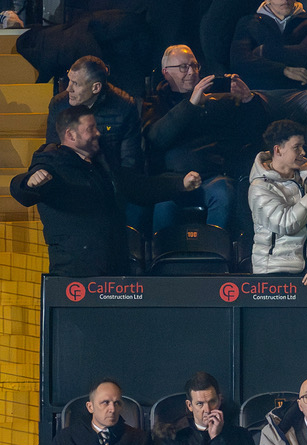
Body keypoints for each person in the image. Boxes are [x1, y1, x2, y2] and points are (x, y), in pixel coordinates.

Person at [11, 107, 200, 276]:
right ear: (71, 134)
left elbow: (137, 187)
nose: (98, 133)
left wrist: (179, 184)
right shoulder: (51, 163)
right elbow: (21, 191)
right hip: (75, 274)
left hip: (114, 269)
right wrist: (28, 182)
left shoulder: (103, 165)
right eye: (90, 129)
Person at [142, 44, 266, 231]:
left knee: (223, 193)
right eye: (184, 67)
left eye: (194, 66)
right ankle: (163, 257)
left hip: (212, 177)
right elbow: (156, 138)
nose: (191, 72)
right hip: (171, 179)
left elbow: (255, 131)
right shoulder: (155, 102)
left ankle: (216, 255)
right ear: (166, 73)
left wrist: (249, 100)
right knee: (163, 204)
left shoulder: (217, 101)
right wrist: (190, 104)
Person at [230, 0, 307, 153]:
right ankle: (253, 163)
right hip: (259, 94)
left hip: (297, 94)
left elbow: (305, 55)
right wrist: (283, 70)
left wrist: (262, 51)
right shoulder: (249, 22)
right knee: (238, 100)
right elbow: (240, 60)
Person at [249, 119, 307, 285]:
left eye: (303, 146)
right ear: (278, 150)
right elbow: (286, 224)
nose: (303, 152)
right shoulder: (260, 187)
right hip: (273, 275)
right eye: (296, 147)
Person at [43, 55, 141, 171]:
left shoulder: (125, 106)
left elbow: (130, 161)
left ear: (96, 88)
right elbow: (52, 149)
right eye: (69, 80)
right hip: (71, 177)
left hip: (109, 180)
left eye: (76, 83)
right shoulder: (59, 104)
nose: (69, 89)